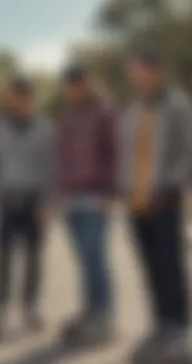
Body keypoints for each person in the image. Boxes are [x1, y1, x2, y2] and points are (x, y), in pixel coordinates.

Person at [121, 46, 192, 364]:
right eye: (130, 70)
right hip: (136, 201)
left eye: (136, 69)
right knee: (149, 265)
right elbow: (126, 154)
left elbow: (190, 152)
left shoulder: (177, 104)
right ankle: (159, 324)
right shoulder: (133, 109)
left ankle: (179, 330)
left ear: (153, 69)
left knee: (171, 264)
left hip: (164, 199)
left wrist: (170, 184)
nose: (132, 75)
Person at [0, 76, 54, 338]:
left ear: (28, 98)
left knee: (34, 258)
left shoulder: (45, 128)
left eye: (18, 95)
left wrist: (48, 201)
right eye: (10, 95)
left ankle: (30, 308)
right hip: (7, 200)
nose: (13, 99)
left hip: (35, 200)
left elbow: (52, 167)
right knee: (2, 258)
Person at [57, 63, 118, 347]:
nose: (71, 89)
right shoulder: (69, 116)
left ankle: (105, 317)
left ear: (86, 83)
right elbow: (62, 156)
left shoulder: (104, 112)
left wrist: (109, 192)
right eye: (68, 85)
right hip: (71, 198)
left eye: (76, 83)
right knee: (83, 259)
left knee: (96, 257)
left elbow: (115, 153)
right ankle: (89, 311)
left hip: (95, 195)